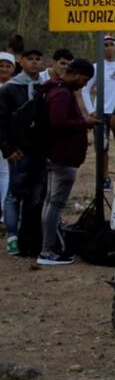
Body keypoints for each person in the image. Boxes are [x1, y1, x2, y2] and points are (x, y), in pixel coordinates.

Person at [37, 58, 99, 265]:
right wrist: (84, 123)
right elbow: (58, 122)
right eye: (83, 79)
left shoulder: (55, 89)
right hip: (62, 157)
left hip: (58, 156)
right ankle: (48, 251)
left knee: (51, 203)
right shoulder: (61, 93)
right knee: (55, 204)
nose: (83, 84)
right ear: (75, 73)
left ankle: (50, 247)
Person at [0, 48, 47, 256]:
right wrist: (8, 149)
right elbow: (2, 123)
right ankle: (11, 235)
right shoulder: (10, 89)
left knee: (34, 195)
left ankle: (27, 236)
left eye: (38, 59)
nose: (34, 63)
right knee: (14, 194)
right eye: (30, 59)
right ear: (21, 61)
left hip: (38, 150)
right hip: (18, 152)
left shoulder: (44, 87)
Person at [81, 35, 115, 186]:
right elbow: (85, 88)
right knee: (102, 149)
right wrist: (91, 110)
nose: (109, 47)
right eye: (105, 44)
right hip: (102, 112)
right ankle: (104, 178)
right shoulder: (96, 67)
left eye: (111, 44)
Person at [0, 52, 14, 229]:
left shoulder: (14, 86)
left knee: (5, 173)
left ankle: (5, 212)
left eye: (7, 66)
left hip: (7, 137)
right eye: (1, 66)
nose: (4, 69)